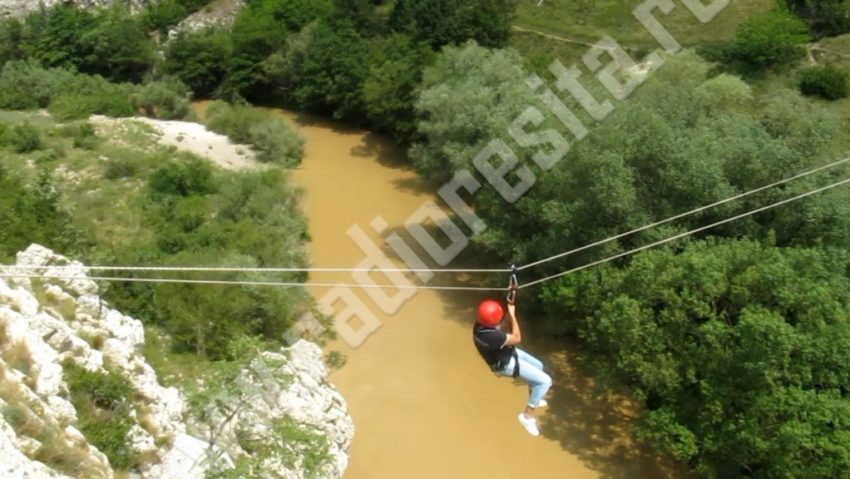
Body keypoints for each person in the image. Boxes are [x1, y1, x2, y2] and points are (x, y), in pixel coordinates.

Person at [472, 298, 552, 436]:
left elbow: (501, 327)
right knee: (545, 381)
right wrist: (513, 315)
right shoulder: (491, 337)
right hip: (505, 364)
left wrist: (510, 307)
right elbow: (517, 338)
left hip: (506, 353)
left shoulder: (479, 327)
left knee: (539, 365)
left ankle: (535, 398)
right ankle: (527, 416)